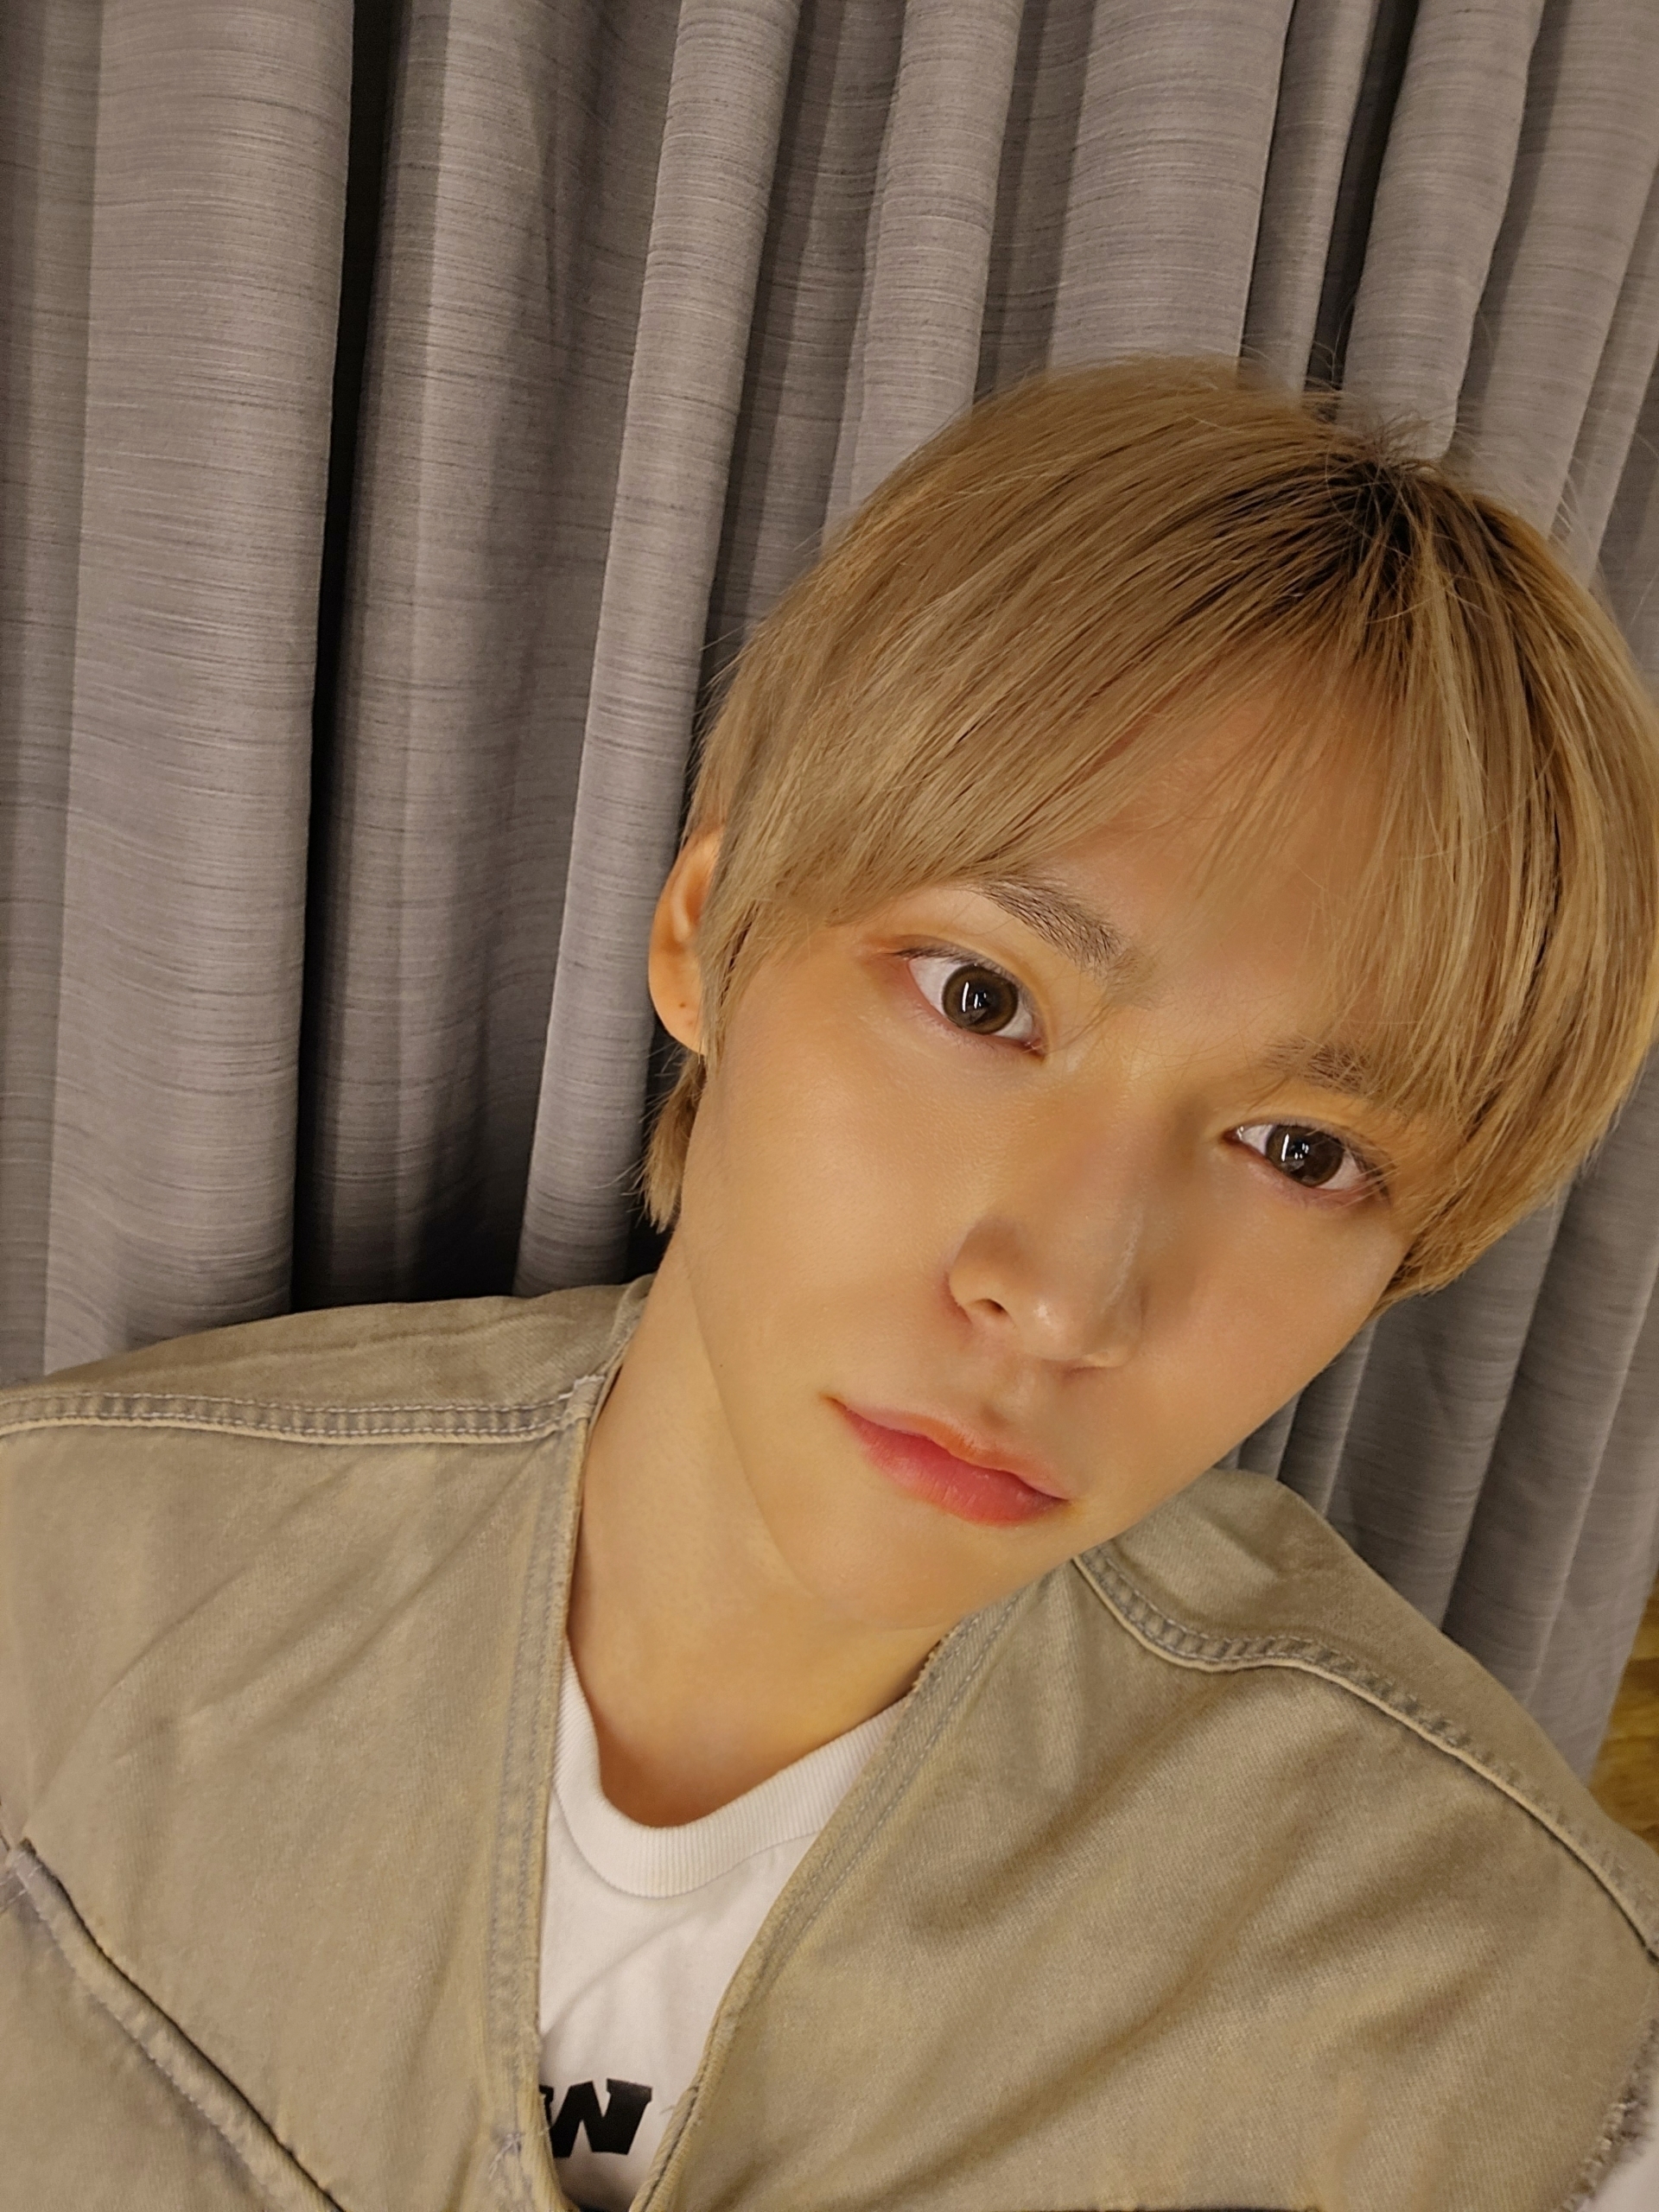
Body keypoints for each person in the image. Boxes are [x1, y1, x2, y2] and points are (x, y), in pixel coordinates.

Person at [3, 358, 1658, 2212]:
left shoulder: (1507, 2028)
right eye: (983, 997)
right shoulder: (62, 1578)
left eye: (1300, 1150)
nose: (1065, 1296)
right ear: (705, 937)